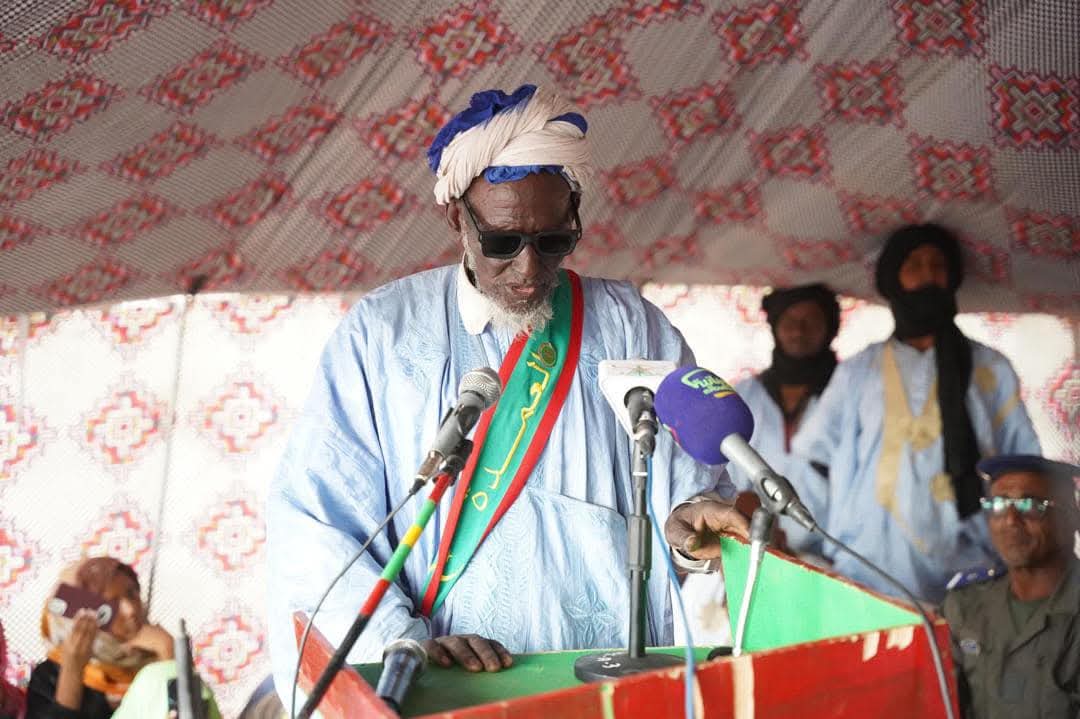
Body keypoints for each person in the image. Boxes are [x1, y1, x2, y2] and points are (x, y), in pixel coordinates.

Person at [266, 83, 748, 698]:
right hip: (450, 688)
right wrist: (400, 642)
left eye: (553, 242)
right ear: (456, 217)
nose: (528, 269)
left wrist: (687, 532)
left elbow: (685, 497)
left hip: (607, 683)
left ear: (574, 218)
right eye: (502, 242)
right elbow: (316, 521)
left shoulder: (634, 326)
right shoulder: (382, 334)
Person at [792, 223, 1040, 603]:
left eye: (938, 265)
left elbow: (1023, 465)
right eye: (914, 265)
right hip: (867, 565)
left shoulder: (991, 367)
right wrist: (805, 539)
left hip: (971, 568)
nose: (928, 276)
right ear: (893, 280)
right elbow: (814, 459)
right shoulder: (858, 370)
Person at [943, 455, 1079, 719]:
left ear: (1072, 518)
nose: (1010, 520)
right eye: (999, 504)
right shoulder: (964, 607)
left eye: (1030, 505)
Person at [26, 558, 176, 719]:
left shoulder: (159, 654)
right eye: (112, 603)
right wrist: (72, 670)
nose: (130, 610)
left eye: (132, 594)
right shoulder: (49, 676)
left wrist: (170, 658)